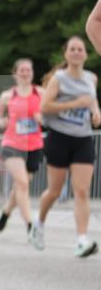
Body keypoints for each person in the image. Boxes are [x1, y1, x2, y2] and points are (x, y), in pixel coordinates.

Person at [30, 36, 100, 256]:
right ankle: (38, 224)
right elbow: (45, 106)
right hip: (59, 137)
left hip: (83, 138)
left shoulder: (91, 78)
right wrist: (75, 104)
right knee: (55, 191)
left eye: (81, 49)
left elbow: (92, 101)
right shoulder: (59, 78)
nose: (77, 52)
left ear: (86, 55)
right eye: (73, 49)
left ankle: (81, 239)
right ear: (66, 54)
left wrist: (96, 113)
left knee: (81, 190)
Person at [0, 58, 44, 236]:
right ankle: (31, 225)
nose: (25, 73)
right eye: (22, 70)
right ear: (15, 74)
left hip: (34, 145)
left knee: (21, 185)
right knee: (22, 183)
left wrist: (42, 119)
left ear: (32, 73)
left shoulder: (41, 93)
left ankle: (6, 212)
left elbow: (51, 114)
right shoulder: (8, 96)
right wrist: (1, 121)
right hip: (12, 144)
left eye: (28, 70)